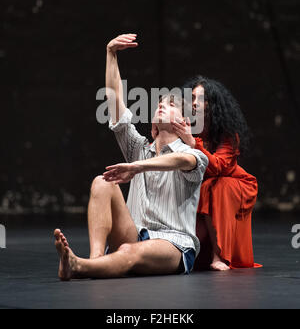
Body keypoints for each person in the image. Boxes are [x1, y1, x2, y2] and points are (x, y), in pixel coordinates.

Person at [54, 35, 208, 281]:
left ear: (185, 121)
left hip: (174, 244)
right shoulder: (139, 148)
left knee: (128, 251)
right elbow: (116, 103)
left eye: (169, 104)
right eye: (158, 102)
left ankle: (78, 266)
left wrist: (136, 167)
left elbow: (178, 162)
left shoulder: (194, 155)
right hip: (134, 233)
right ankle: (95, 261)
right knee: (101, 182)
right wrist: (110, 54)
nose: (160, 105)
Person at [153, 76, 261, 271]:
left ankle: (219, 256)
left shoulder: (227, 134)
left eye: (201, 99)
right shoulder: (189, 128)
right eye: (192, 98)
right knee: (199, 189)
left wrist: (192, 143)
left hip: (235, 185)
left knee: (215, 187)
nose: (195, 103)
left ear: (213, 104)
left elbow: (218, 168)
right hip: (206, 186)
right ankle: (181, 250)